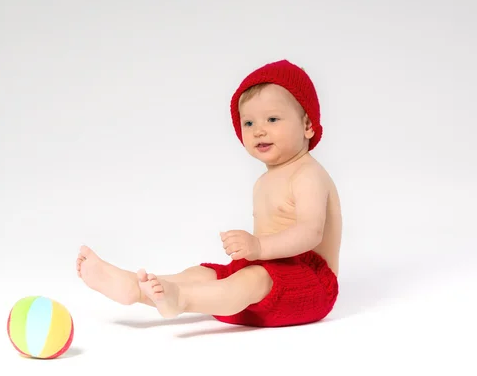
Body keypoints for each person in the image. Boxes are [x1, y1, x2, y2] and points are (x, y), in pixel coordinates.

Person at [76, 60, 341, 327]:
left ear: (307, 124)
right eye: (248, 122)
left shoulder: (307, 174)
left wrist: (258, 247)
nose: (258, 130)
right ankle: (136, 287)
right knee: (205, 274)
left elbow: (310, 232)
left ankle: (181, 299)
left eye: (272, 119)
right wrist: (254, 253)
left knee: (253, 280)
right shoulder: (264, 181)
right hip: (268, 275)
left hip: (311, 284)